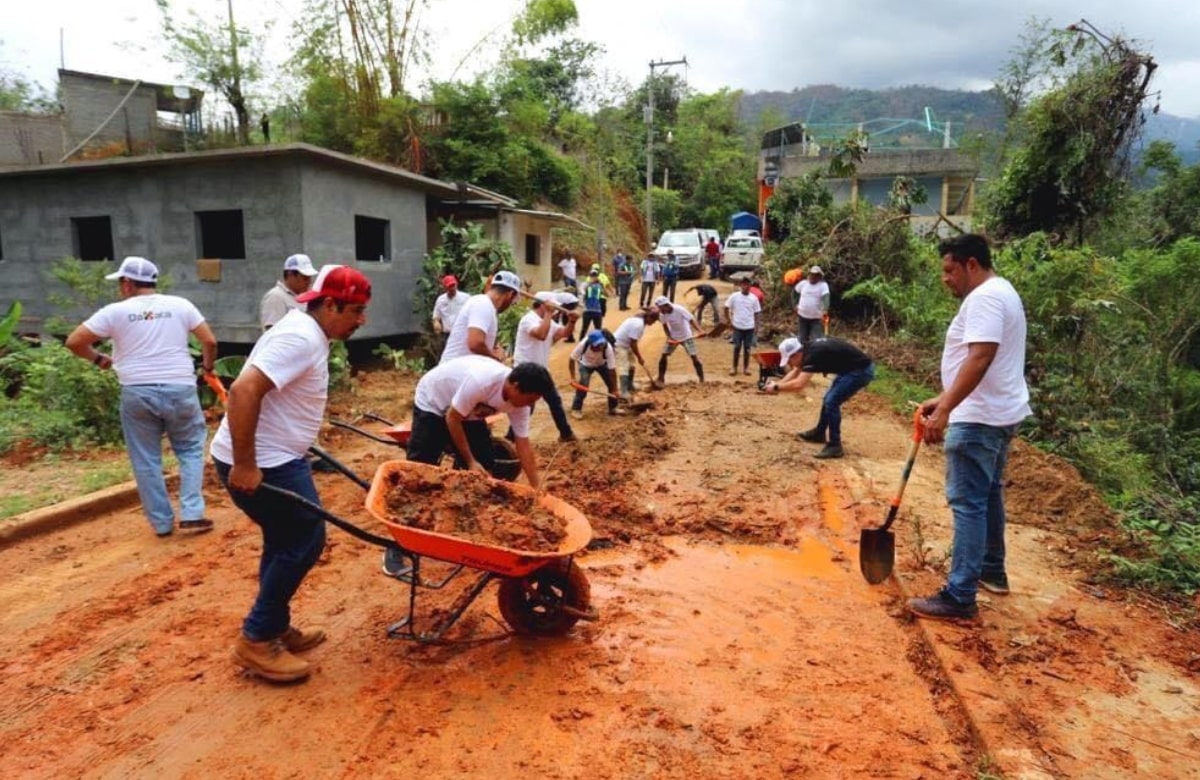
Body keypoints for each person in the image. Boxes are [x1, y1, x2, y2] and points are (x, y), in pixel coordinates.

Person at [210, 264, 371, 683]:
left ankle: (274, 626)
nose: (361, 320)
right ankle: (257, 639)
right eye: (355, 311)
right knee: (304, 537)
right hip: (263, 460)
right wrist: (245, 463)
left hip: (279, 455)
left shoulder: (310, 332)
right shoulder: (300, 337)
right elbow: (244, 390)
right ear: (331, 304)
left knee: (284, 539)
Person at [908, 234, 1030, 622]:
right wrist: (942, 398)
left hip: (978, 419)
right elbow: (980, 361)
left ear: (971, 264)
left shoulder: (985, 298)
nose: (945, 279)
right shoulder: (1002, 291)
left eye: (949, 270)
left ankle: (960, 596)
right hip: (996, 412)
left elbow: (980, 357)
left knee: (968, 503)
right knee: (988, 493)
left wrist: (945, 410)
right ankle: (991, 570)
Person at [65, 256, 218, 538]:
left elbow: (74, 341)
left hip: (137, 390)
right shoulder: (181, 305)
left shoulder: (114, 312)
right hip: (180, 388)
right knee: (190, 450)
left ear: (127, 283)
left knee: (146, 459)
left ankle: (161, 524)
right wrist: (207, 368)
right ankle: (192, 513)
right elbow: (209, 341)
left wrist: (99, 359)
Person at [408, 356, 552, 484]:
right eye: (530, 399)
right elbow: (452, 419)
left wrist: (536, 487)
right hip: (434, 399)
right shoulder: (482, 382)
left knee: (484, 466)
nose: (530, 405)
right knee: (421, 466)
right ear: (516, 387)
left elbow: (523, 445)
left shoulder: (521, 405)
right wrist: (470, 461)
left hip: (468, 411)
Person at [763, 336, 874, 459]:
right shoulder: (806, 349)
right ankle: (819, 433)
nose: (789, 364)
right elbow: (796, 371)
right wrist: (777, 385)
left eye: (789, 360)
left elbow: (799, 384)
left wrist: (777, 388)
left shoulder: (813, 355)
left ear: (796, 354)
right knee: (828, 398)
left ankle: (835, 446)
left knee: (831, 401)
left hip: (860, 371)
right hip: (849, 369)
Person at [512, 292, 578, 442]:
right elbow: (541, 334)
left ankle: (566, 434)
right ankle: (511, 437)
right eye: (553, 307)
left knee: (554, 401)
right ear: (543, 305)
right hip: (525, 370)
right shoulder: (528, 319)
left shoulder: (548, 321)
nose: (555, 311)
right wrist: (549, 313)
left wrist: (571, 322)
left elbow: (563, 333)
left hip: (541, 369)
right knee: (527, 406)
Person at [439, 270, 521, 363]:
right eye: (513, 300)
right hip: (456, 371)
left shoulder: (485, 305)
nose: (511, 304)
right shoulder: (483, 304)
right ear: (510, 294)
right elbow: (475, 343)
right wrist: (495, 358)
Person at [569, 330, 622, 418]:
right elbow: (571, 359)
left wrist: (615, 389)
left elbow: (612, 370)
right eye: (597, 345)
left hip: (601, 364)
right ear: (591, 343)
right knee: (583, 385)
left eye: (601, 344)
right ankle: (576, 409)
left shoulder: (607, 347)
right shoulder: (583, 344)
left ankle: (613, 408)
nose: (600, 347)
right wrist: (573, 378)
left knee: (611, 384)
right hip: (585, 365)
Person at [260, 253, 318, 331]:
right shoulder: (275, 297)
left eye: (309, 278)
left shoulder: (304, 297)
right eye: (305, 278)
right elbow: (272, 332)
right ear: (290, 275)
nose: (309, 282)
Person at [655, 296, 704, 384]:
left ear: (666, 305)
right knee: (664, 355)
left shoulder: (679, 309)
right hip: (674, 337)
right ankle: (660, 378)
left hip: (686, 336)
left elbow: (691, 320)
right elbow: (665, 326)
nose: (660, 310)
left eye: (660, 308)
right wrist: (669, 337)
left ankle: (701, 379)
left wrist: (699, 330)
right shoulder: (662, 314)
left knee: (694, 357)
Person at [612, 307, 659, 399]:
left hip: (626, 344)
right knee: (624, 367)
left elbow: (632, 343)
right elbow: (633, 343)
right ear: (648, 317)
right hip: (619, 345)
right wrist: (639, 357)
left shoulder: (639, 321)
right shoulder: (638, 325)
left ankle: (630, 385)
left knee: (632, 364)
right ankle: (624, 391)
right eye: (653, 320)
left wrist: (637, 357)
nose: (653, 323)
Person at [725, 276, 762, 376]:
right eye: (743, 284)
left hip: (749, 327)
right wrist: (729, 321)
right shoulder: (734, 296)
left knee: (747, 348)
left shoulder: (753, 298)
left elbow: (757, 313)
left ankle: (746, 368)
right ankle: (734, 367)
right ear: (741, 285)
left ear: (750, 286)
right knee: (736, 347)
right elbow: (726, 307)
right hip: (737, 326)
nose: (745, 286)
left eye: (747, 284)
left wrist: (757, 327)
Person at [794, 265, 830, 346]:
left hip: (816, 318)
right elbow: (794, 293)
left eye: (815, 275)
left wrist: (825, 309)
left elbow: (826, 298)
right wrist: (795, 305)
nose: (812, 277)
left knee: (816, 340)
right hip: (802, 315)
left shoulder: (823, 285)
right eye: (811, 274)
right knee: (802, 339)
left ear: (819, 276)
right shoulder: (803, 284)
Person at [578, 268, 605, 340]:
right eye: (592, 275)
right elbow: (582, 292)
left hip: (597, 310)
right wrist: (590, 284)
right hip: (587, 310)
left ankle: (599, 342)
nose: (594, 277)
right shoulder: (585, 284)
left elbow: (603, 293)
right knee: (584, 328)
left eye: (595, 276)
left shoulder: (600, 285)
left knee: (598, 328)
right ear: (589, 276)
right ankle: (581, 342)